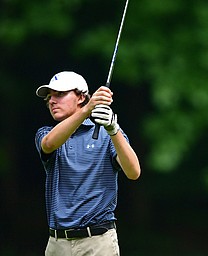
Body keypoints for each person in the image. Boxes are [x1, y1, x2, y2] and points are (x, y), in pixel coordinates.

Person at [35, 71, 141, 256]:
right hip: (57, 244)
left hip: (98, 243)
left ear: (81, 97)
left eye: (59, 94)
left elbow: (133, 172)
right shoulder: (46, 133)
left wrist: (113, 129)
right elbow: (49, 144)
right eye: (49, 97)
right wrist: (88, 109)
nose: (52, 101)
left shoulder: (106, 133)